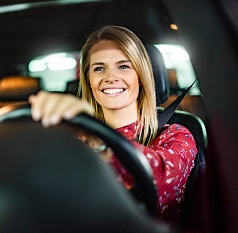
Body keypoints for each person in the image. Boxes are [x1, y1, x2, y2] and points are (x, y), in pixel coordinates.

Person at [28, 25, 197, 224]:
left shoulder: (176, 136)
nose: (110, 78)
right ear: (89, 80)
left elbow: (159, 186)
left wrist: (98, 138)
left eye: (123, 66)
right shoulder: (68, 139)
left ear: (141, 76)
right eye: (99, 68)